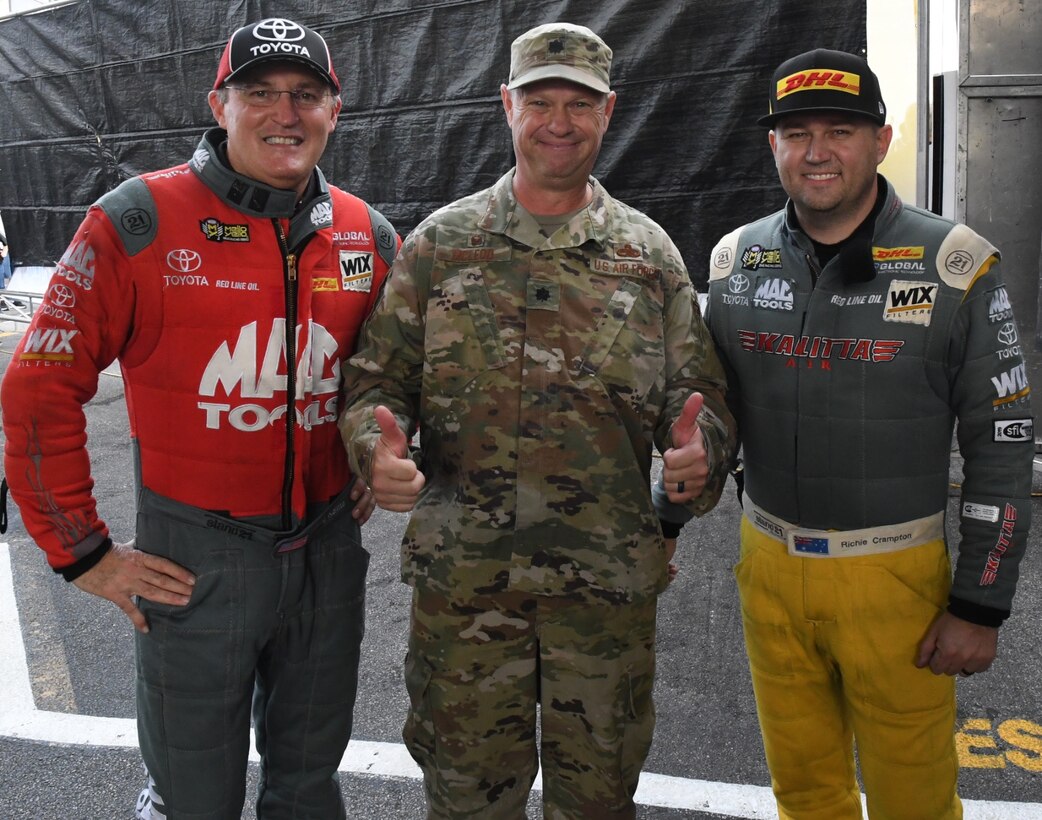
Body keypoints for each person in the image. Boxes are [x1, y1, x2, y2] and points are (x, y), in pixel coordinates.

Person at [1, 17, 397, 820]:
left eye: (306, 94)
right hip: (195, 560)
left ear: (336, 110)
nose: (285, 113)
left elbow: (395, 378)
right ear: (219, 103)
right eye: (260, 92)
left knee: (309, 788)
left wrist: (375, 451)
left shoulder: (368, 233)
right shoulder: (137, 219)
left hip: (327, 554)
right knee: (193, 800)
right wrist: (85, 555)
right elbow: (37, 391)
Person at [338, 21, 736, 820]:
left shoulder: (649, 256)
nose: (559, 120)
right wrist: (371, 452)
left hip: (605, 600)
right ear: (506, 107)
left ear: (609, 111)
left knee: (597, 802)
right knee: (466, 802)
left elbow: (700, 398)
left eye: (578, 104)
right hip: (466, 595)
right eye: (539, 101)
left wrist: (701, 457)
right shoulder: (441, 247)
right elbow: (375, 383)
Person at [704, 48, 1034, 819]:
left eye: (840, 130)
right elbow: (705, 416)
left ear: (881, 141)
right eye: (795, 132)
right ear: (773, 146)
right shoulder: (735, 260)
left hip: (896, 578)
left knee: (913, 800)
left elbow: (1004, 446)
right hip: (768, 565)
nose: (816, 151)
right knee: (804, 792)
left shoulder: (953, 264)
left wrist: (981, 605)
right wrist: (667, 510)